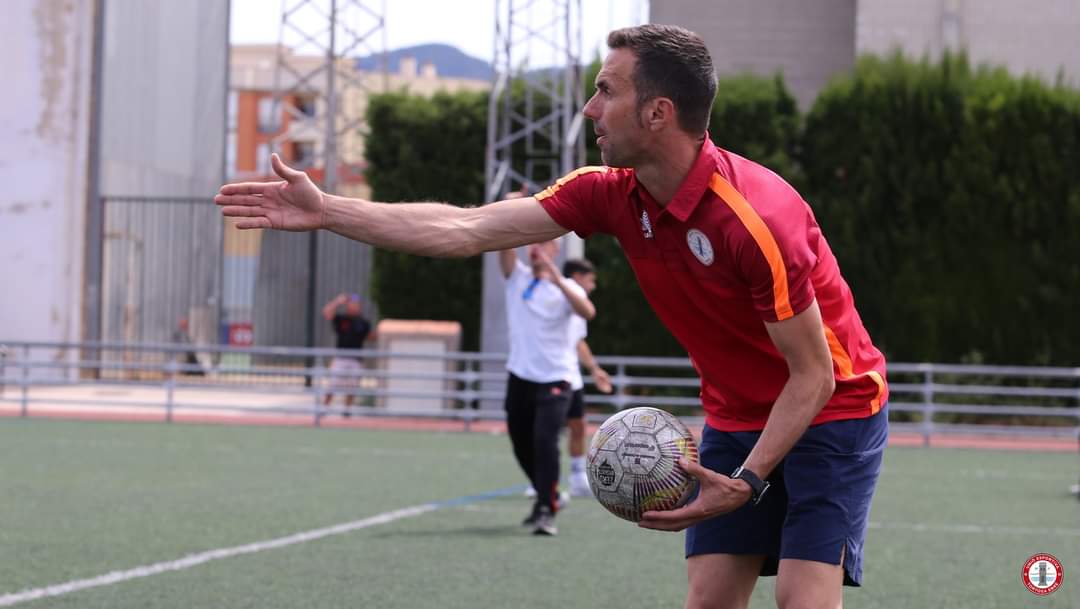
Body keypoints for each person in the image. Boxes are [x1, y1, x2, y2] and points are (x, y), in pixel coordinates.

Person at [216, 23, 888, 609]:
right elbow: (467, 228)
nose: (591, 107)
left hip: (835, 408)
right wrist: (330, 210)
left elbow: (813, 375)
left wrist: (746, 482)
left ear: (657, 112)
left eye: (606, 90)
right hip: (739, 412)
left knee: (801, 597)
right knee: (709, 597)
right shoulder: (606, 192)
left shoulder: (756, 219)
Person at [500, 239, 596, 536]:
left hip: (557, 377)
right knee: (520, 441)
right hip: (520, 375)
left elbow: (587, 312)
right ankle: (549, 493)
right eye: (531, 242)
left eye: (543, 242)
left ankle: (545, 508)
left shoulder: (569, 286)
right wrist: (510, 211)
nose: (536, 247)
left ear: (556, 249)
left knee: (545, 440)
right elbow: (503, 247)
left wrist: (555, 277)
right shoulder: (518, 277)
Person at [523, 258, 613, 499]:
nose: (593, 286)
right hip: (548, 374)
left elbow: (577, 341)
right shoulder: (550, 297)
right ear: (577, 276)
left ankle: (577, 478)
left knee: (578, 426)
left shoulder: (577, 305)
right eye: (591, 280)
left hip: (570, 375)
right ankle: (539, 480)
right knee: (545, 431)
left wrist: (594, 369)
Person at [321, 293, 372, 415]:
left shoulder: (363, 322)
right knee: (332, 384)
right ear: (348, 306)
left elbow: (370, 337)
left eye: (356, 304)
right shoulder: (341, 319)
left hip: (356, 359)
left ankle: (346, 411)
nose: (354, 306)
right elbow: (327, 313)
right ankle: (324, 409)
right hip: (341, 358)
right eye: (351, 304)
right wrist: (338, 301)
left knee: (352, 386)